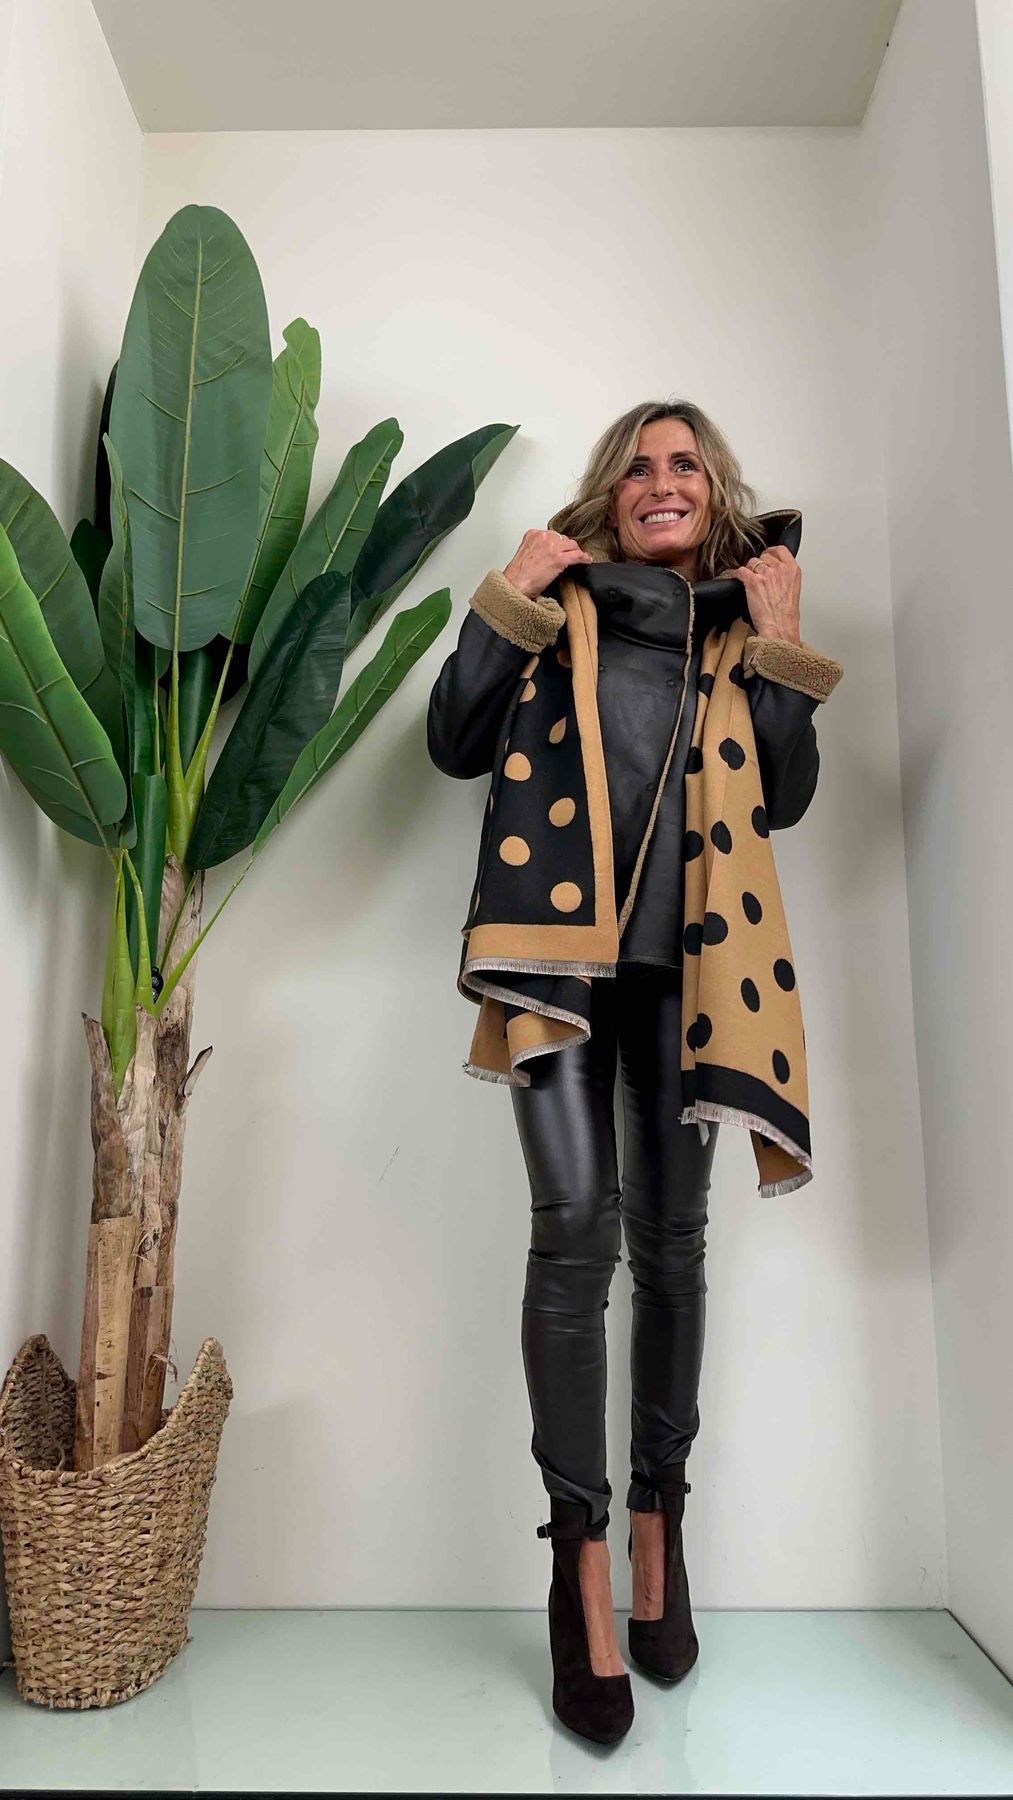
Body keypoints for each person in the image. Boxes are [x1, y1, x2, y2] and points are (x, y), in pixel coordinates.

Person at [426, 399, 843, 1745]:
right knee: (573, 1237)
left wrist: (781, 646)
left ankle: (661, 1533)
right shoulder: (560, 606)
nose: (664, 482)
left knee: (671, 1248)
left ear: (714, 496)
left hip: (691, 977)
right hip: (556, 966)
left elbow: (784, 796)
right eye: (640, 467)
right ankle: (581, 1572)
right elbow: (452, 738)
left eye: (688, 466)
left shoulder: (735, 623)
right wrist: (511, 593)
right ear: (610, 494)